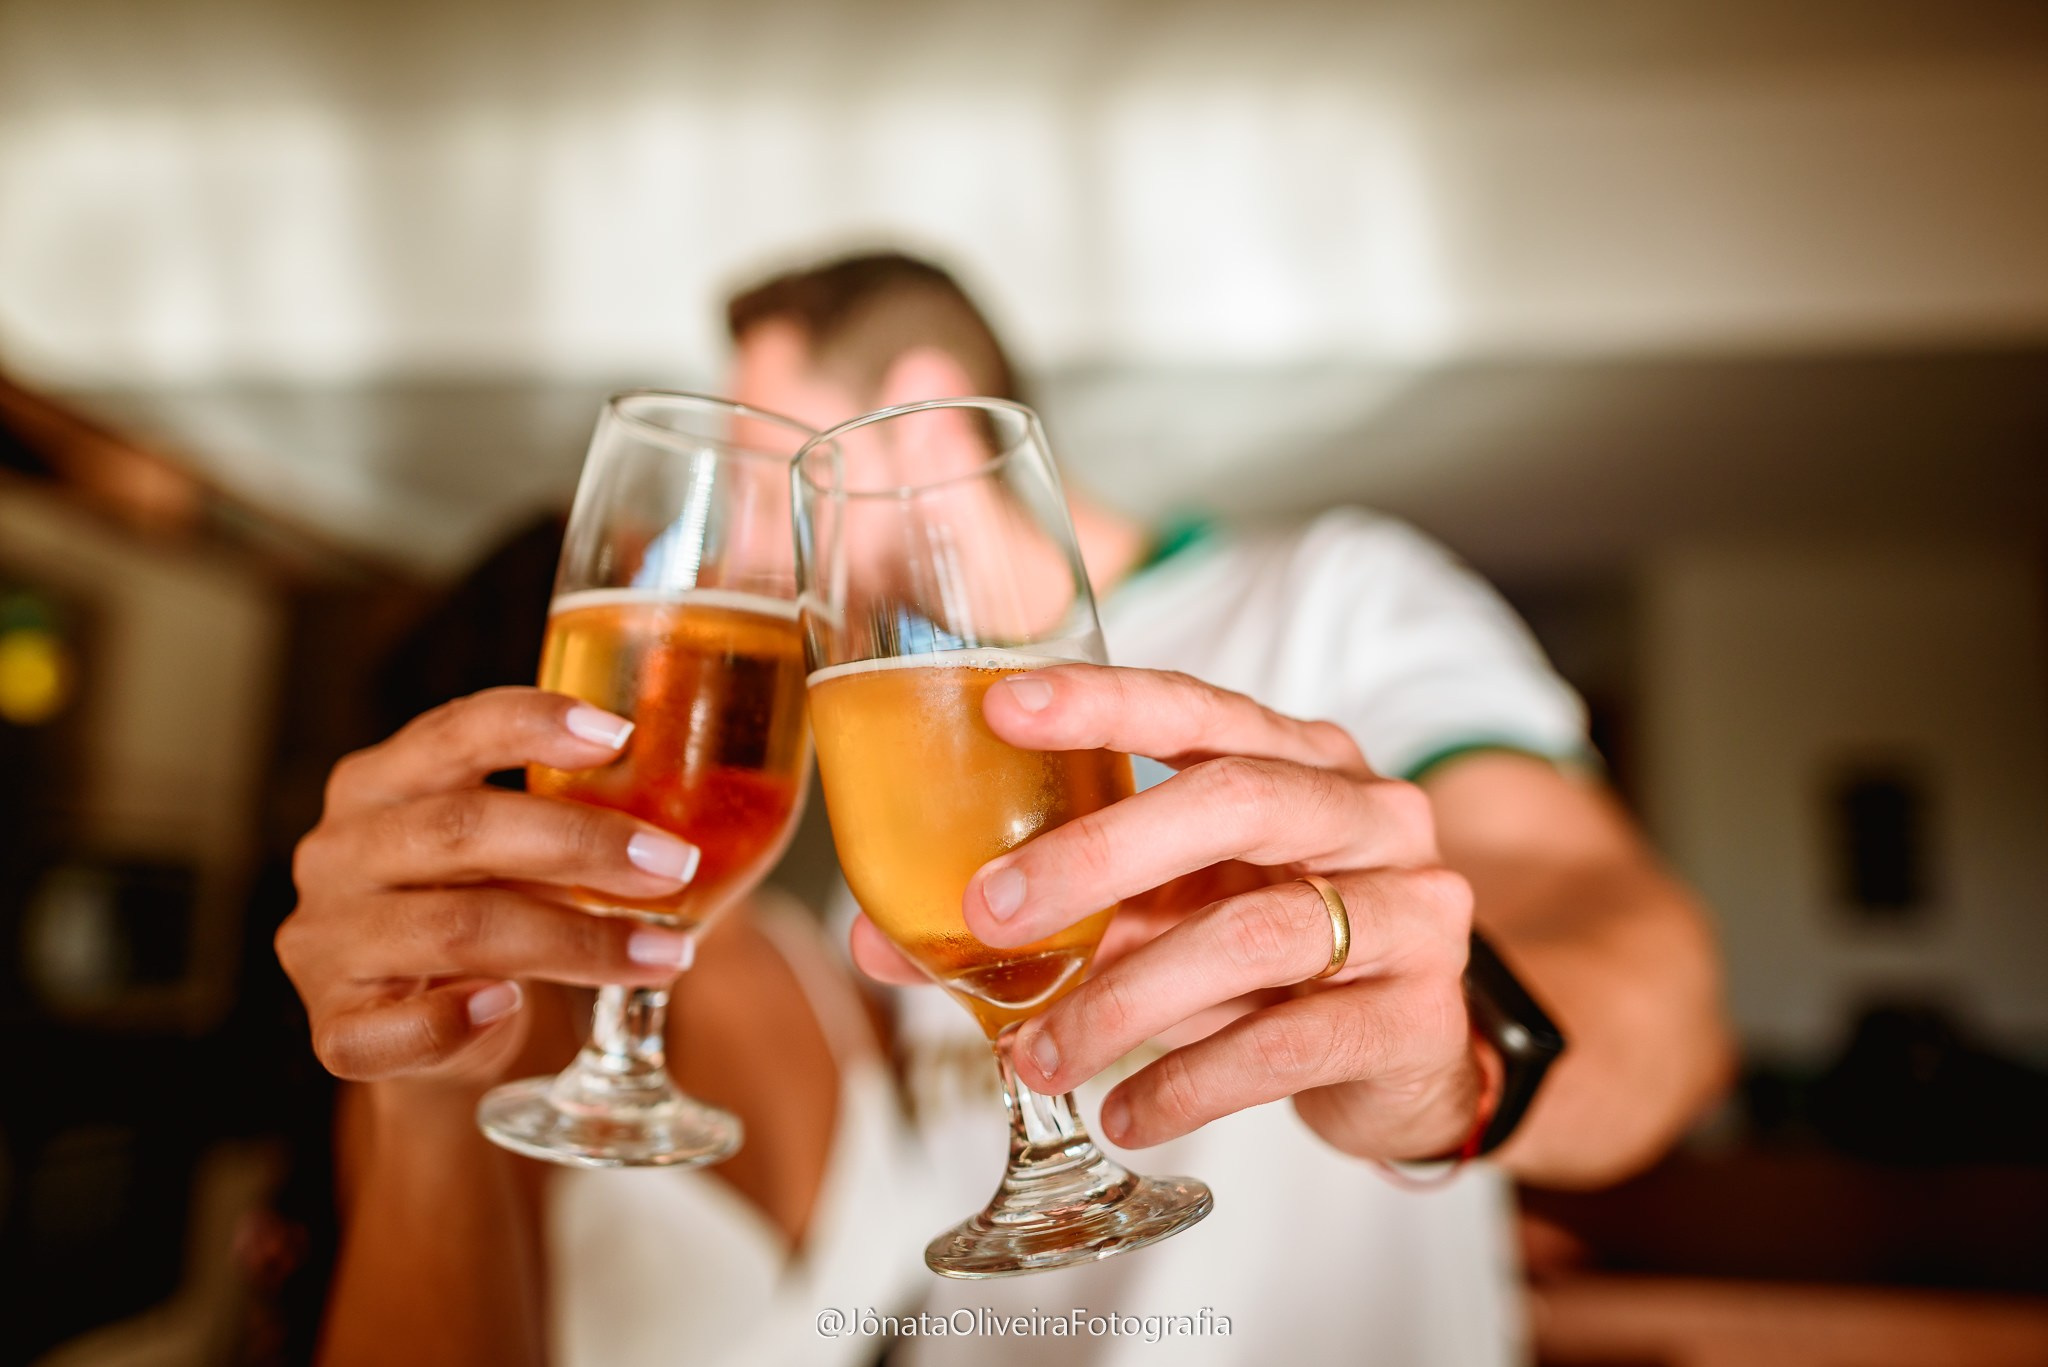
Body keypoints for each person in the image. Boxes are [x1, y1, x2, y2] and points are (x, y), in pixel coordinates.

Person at [277, 252, 1732, 1366]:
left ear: (916, 421)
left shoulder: (1330, 599)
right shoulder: (871, 741)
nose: (751, 536)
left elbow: (1644, 967)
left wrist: (1464, 1073)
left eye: (784, 462)